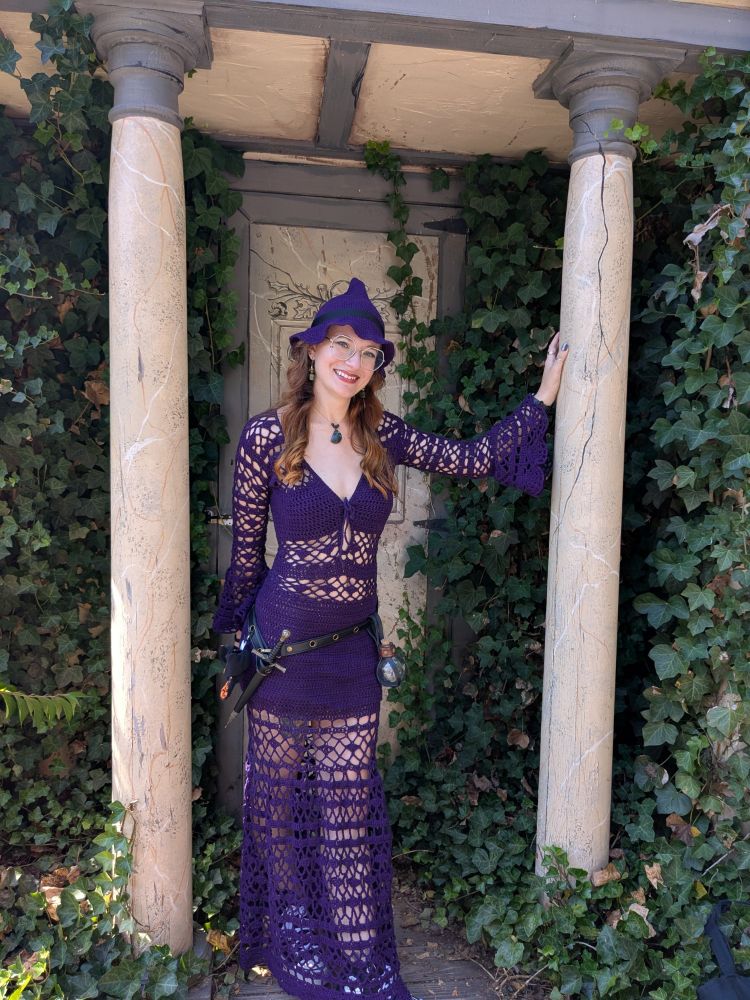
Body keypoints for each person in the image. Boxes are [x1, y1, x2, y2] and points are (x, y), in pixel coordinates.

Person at [213, 277, 568, 1000]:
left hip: (349, 653)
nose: (354, 360)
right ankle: (297, 943)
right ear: (310, 351)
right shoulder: (265, 437)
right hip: (279, 653)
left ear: (378, 367)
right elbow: (247, 554)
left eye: (369, 351)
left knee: (346, 807)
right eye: (341, 344)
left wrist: (543, 400)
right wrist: (229, 645)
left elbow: (471, 459)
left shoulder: (384, 435)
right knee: (278, 807)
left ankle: (354, 943)